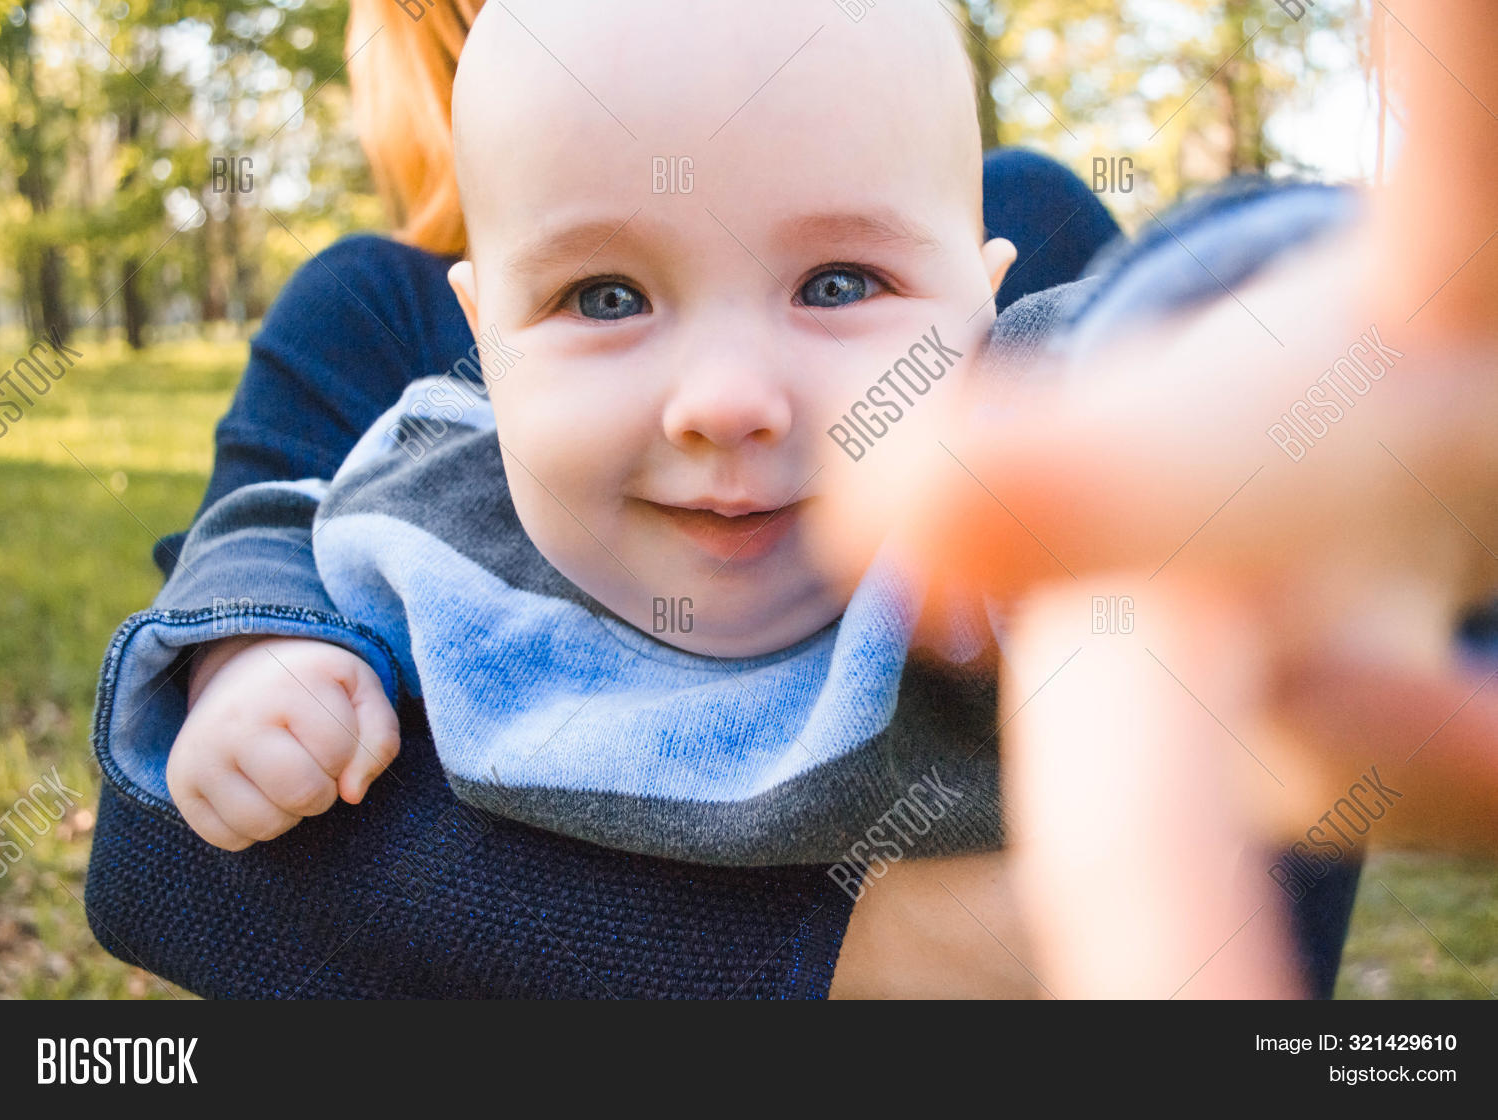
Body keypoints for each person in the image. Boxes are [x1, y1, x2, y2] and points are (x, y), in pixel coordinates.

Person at [86, 0, 1132, 998]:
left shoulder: (1005, 469)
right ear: (482, 344)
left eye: (839, 285)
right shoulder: (450, 498)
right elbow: (277, 551)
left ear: (987, 305)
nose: (726, 403)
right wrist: (262, 653)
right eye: (607, 298)